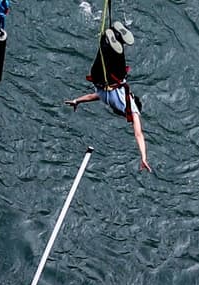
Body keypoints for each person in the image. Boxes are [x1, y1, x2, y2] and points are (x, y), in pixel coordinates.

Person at [64, 21, 152, 172]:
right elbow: (139, 134)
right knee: (103, 54)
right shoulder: (130, 109)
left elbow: (91, 97)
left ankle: (118, 38)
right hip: (99, 77)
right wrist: (143, 156)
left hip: (118, 78)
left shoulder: (118, 99)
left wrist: (77, 101)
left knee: (117, 60)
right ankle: (108, 39)